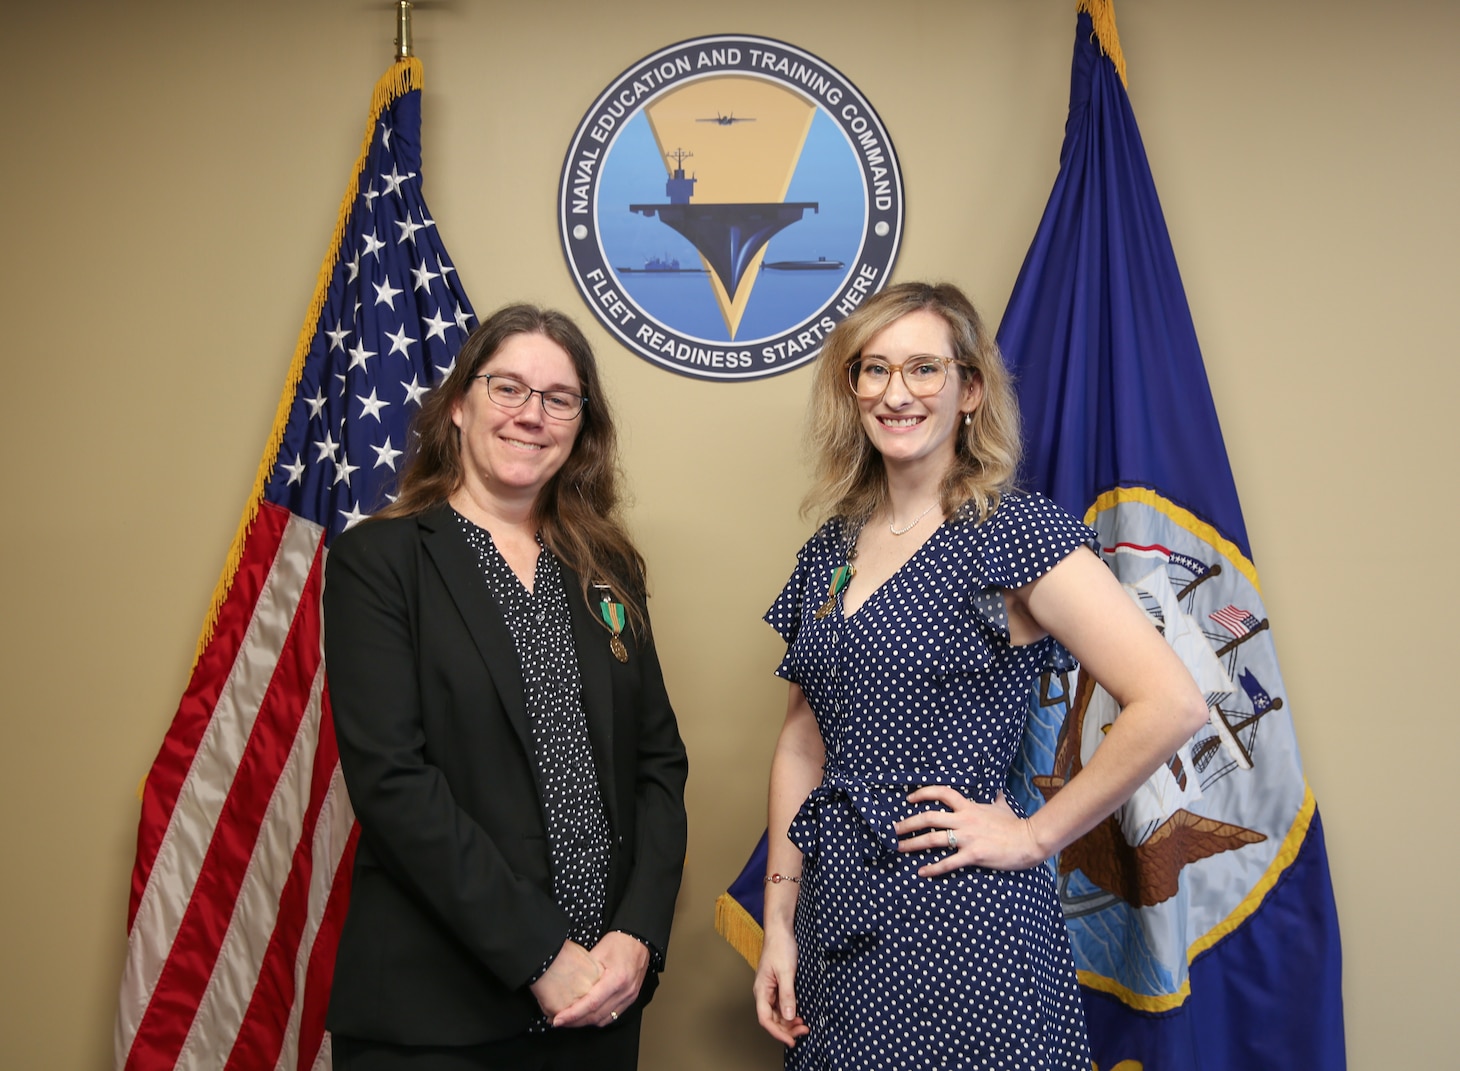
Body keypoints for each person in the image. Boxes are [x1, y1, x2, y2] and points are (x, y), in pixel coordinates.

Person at [752, 282, 1207, 1069]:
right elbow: (802, 742)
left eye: (925, 369)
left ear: (970, 389)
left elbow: (1173, 701)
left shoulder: (1014, 534)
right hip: (841, 916)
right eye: (874, 370)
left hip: (964, 916)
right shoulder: (829, 549)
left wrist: (1035, 835)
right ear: (851, 387)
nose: (897, 393)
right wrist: (781, 920)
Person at [323, 304, 689, 1070]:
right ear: (458, 404)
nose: (532, 415)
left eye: (559, 398)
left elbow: (659, 765)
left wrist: (638, 936)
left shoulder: (606, 568)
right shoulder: (381, 561)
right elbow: (392, 781)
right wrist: (539, 954)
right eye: (508, 388)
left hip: (600, 1003)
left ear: (580, 425)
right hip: (437, 1021)